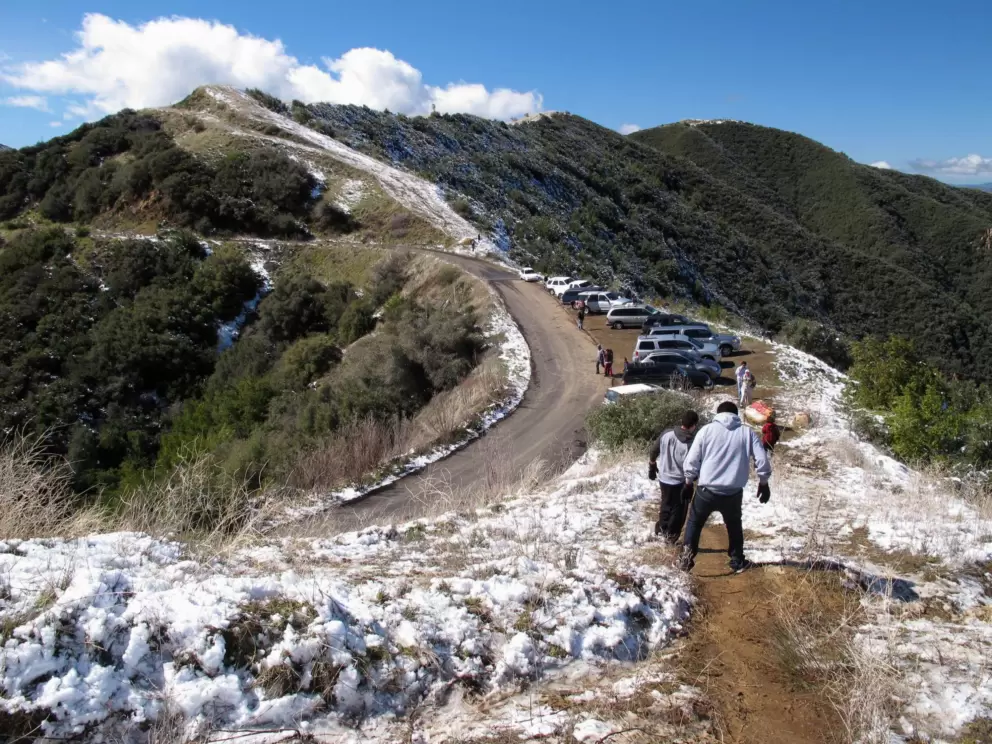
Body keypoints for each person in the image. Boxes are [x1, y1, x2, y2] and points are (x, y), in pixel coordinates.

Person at [680, 401, 772, 573]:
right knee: (734, 525)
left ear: (718, 414)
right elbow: (762, 460)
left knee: (695, 523)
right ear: (736, 415)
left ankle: (686, 559)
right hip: (733, 493)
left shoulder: (706, 431)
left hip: (706, 491)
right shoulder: (747, 433)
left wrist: (688, 482)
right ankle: (737, 560)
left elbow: (692, 460)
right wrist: (764, 483)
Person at [648, 410, 699, 543]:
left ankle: (661, 529)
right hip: (680, 480)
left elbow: (654, 450)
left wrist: (652, 465)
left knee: (665, 504)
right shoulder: (691, 443)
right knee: (679, 509)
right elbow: (691, 464)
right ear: (693, 425)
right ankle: (671, 536)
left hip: (664, 478)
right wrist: (691, 481)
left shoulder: (667, 433)